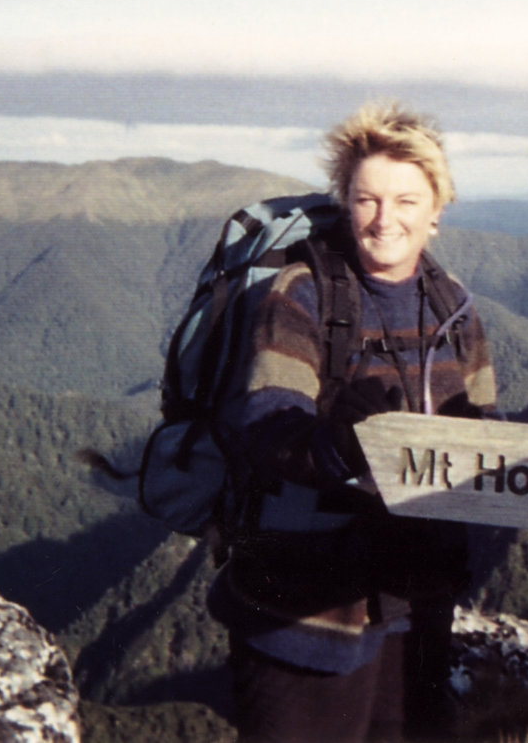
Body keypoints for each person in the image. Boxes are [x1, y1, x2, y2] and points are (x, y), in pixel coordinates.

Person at [208, 100, 496, 742]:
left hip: (413, 606)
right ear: (345, 201)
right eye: (367, 199)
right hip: (301, 611)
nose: (384, 219)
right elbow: (266, 425)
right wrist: (341, 445)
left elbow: (487, 432)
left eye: (405, 200)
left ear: (436, 210)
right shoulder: (303, 294)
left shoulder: (454, 309)